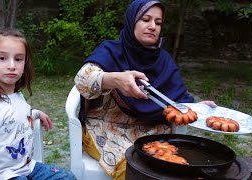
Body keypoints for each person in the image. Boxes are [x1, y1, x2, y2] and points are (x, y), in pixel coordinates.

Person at [74, 0, 216, 179]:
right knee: (137, 169)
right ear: (132, 21)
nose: (152, 26)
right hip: (107, 129)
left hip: (152, 131)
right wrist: (116, 79)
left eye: (158, 23)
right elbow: (83, 79)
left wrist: (196, 108)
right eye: (146, 19)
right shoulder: (111, 50)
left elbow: (177, 100)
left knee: (176, 167)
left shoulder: (163, 60)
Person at [0, 28, 76, 180]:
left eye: (18, 59)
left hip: (26, 167)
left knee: (66, 177)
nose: (12, 65)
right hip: (1, 175)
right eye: (2, 58)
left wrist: (35, 113)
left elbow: (16, 114)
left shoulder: (18, 97)